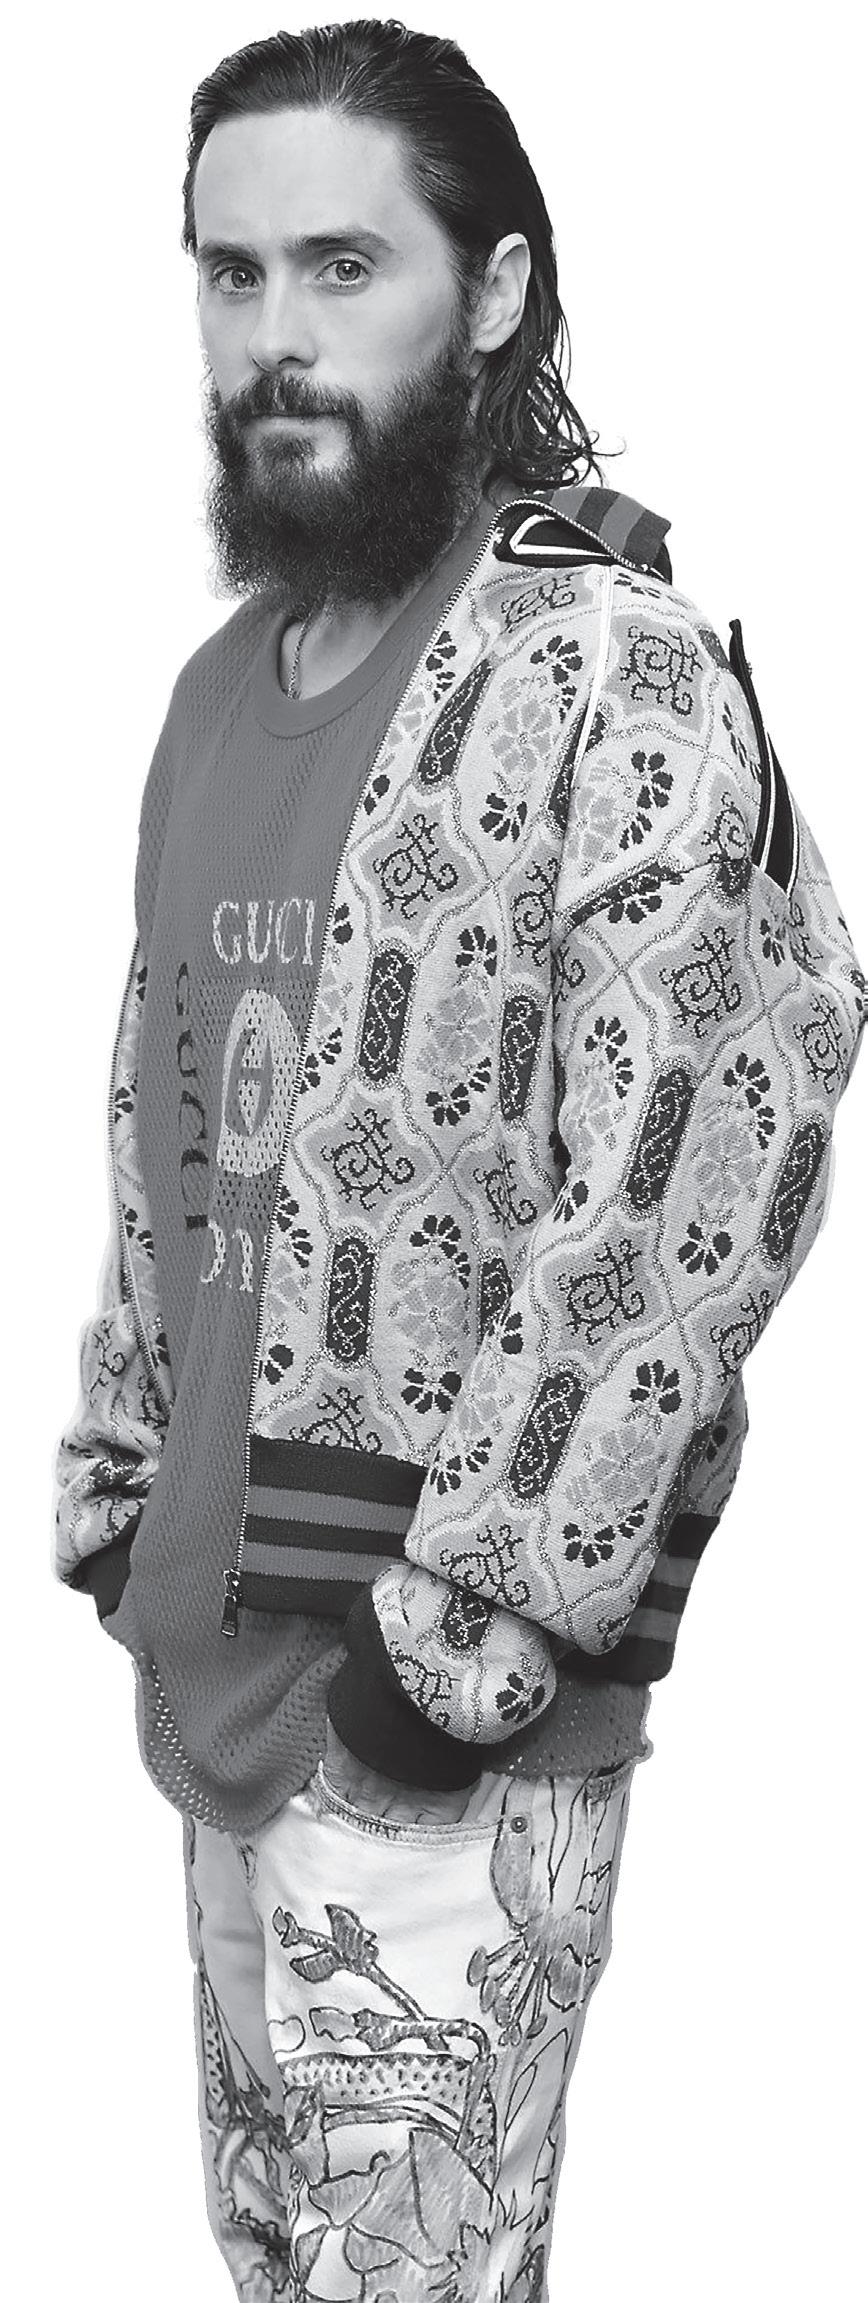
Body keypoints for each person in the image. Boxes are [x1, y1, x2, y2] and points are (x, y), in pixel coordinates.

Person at [50, 20, 866, 2299]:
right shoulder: (216, 689)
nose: (275, 336)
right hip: (213, 1672)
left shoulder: (610, 669)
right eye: (230, 273)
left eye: (344, 265)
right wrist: (124, 1498)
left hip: (438, 1708)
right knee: (274, 2271)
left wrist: (466, 1635)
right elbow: (167, 1124)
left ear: (492, 290)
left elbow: (713, 1141)